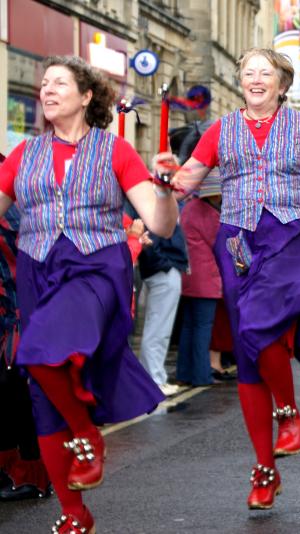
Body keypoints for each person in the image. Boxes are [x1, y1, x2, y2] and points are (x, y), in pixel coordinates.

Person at [168, 47, 300, 510]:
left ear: (281, 84)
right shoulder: (220, 130)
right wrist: (166, 177)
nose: (255, 79)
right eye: (248, 72)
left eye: (264, 73)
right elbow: (185, 183)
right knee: (249, 348)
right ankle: (265, 469)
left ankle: (289, 416)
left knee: (259, 324)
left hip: (291, 236)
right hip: (238, 241)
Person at [0, 55, 177, 533]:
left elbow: (160, 225)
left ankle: (86, 434)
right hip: (37, 273)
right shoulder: (23, 154)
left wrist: (165, 190)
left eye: (59, 82)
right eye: (44, 84)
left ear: (86, 95)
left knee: (39, 348)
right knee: (41, 387)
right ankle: (74, 513)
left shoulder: (116, 150)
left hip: (95, 268)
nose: (47, 90)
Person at [0, 204, 52, 503]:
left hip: (21, 310)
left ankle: (35, 476)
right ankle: (8, 469)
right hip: (7, 311)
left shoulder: (12, 211)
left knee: (18, 393)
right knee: (6, 395)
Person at [176, 173, 225, 386]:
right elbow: (221, 246)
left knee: (188, 326)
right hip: (206, 280)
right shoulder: (210, 215)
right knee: (203, 328)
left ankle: (184, 373)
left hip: (187, 277)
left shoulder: (188, 208)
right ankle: (201, 375)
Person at [137, 218, 188, 396]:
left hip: (159, 270)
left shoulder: (154, 210)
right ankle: (155, 380)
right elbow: (152, 244)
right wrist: (166, 265)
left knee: (157, 328)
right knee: (159, 330)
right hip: (164, 271)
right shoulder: (158, 210)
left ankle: (155, 378)